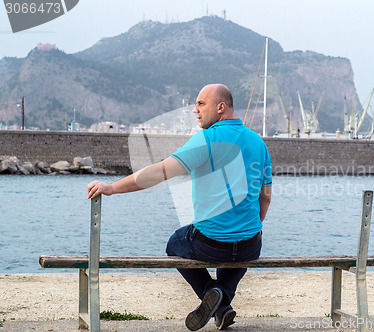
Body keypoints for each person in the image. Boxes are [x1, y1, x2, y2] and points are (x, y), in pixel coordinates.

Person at [87, 84, 272, 331]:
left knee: (176, 243)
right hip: (251, 244)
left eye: (201, 103)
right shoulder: (258, 143)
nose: (195, 110)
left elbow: (159, 173)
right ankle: (223, 303)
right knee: (241, 249)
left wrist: (112, 187)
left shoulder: (207, 139)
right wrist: (253, 230)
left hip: (211, 245)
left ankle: (212, 293)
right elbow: (266, 197)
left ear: (220, 107)